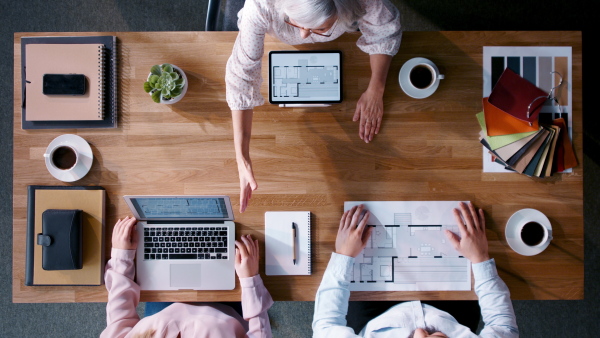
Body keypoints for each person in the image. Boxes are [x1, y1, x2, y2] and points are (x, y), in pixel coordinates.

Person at [226, 0, 402, 212]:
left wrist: (376, 89)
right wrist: (241, 158)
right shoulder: (260, 6)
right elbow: (241, 79)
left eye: (320, 29)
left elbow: (384, 32)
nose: (304, 36)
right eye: (295, 23)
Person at [312, 203, 519, 337]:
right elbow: (504, 328)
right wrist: (479, 257)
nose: (420, 332)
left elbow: (325, 327)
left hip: (377, 316)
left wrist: (344, 255)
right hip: (451, 314)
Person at [100, 216, 273, 338]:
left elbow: (119, 317)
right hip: (229, 312)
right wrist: (250, 280)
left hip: (166, 309)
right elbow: (260, 334)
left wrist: (122, 256)